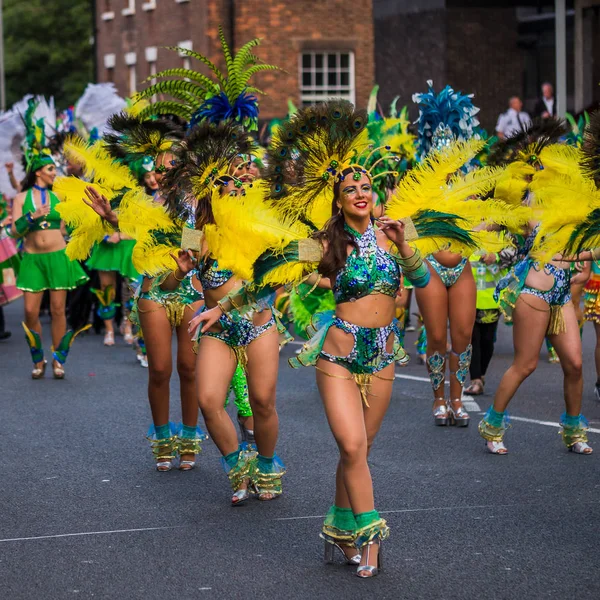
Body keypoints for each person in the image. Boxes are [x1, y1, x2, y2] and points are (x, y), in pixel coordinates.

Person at [478, 141, 594, 456]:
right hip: (535, 292)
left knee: (575, 363)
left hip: (561, 293)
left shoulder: (575, 207)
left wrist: (585, 261)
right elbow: (488, 224)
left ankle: (573, 431)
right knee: (526, 364)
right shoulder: (528, 206)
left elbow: (581, 250)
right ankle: (493, 426)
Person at [10, 99, 89, 379]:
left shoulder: (60, 196)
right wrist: (32, 217)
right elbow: (13, 232)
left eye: (55, 169)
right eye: (51, 170)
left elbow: (70, 225)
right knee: (30, 313)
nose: (55, 172)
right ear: (38, 172)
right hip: (32, 259)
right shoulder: (21, 198)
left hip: (58, 256)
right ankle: (37, 358)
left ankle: (57, 359)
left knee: (58, 309)